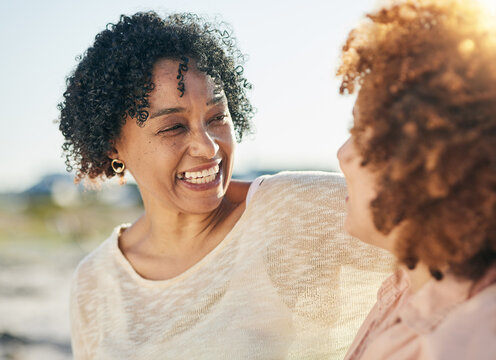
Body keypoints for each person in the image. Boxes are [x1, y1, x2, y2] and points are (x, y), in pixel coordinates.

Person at [59, 12, 394, 359]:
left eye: (217, 117)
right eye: (173, 127)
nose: (207, 146)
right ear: (113, 144)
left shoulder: (289, 211)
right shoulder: (94, 283)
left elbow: (439, 232)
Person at [336, 1, 496, 358]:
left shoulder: (476, 341)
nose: (343, 155)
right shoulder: (418, 280)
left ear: (437, 165)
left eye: (366, 134)